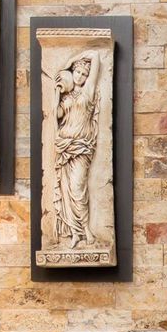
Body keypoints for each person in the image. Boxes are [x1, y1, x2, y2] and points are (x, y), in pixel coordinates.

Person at [52, 52, 102, 249]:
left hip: (81, 147)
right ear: (71, 74)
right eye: (77, 72)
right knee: (66, 189)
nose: (80, 76)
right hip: (64, 145)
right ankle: (75, 233)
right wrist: (56, 93)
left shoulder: (88, 91)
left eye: (83, 73)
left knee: (77, 188)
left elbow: (96, 56)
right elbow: (57, 114)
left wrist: (71, 60)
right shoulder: (67, 96)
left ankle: (87, 229)